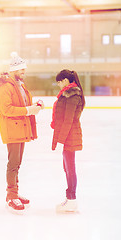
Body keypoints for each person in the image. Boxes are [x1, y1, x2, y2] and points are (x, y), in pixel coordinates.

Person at [0, 52, 44, 211]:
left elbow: (23, 104)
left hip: (20, 128)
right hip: (12, 129)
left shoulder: (20, 85)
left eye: (24, 70)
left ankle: (15, 192)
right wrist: (29, 110)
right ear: (14, 70)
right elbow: (6, 109)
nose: (24, 73)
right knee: (13, 164)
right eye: (21, 70)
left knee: (17, 163)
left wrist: (35, 105)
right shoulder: (6, 86)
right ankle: (11, 196)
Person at [51, 69, 85, 213]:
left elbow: (68, 120)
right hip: (68, 135)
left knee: (70, 168)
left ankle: (72, 199)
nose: (58, 85)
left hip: (69, 135)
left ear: (65, 80)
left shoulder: (72, 95)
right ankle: (70, 198)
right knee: (67, 168)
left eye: (59, 82)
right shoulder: (68, 94)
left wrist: (60, 139)